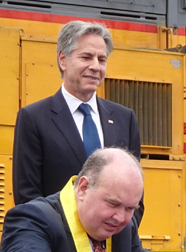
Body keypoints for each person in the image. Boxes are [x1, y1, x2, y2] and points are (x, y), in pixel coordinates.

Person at [0, 147, 186, 252]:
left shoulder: (124, 229)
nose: (121, 218)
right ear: (83, 188)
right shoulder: (31, 217)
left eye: (130, 208)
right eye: (112, 204)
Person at [11, 21, 143, 224]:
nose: (95, 66)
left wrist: (119, 236)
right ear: (63, 60)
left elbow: (135, 194)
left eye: (102, 59)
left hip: (113, 246)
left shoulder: (125, 119)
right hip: (58, 247)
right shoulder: (34, 118)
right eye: (86, 57)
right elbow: (28, 195)